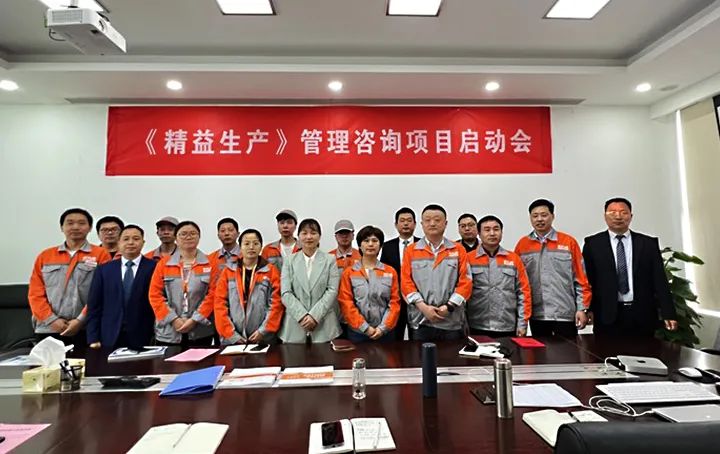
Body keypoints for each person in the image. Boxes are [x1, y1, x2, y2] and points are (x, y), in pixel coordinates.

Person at [582, 197, 678, 337]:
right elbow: (588, 279)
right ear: (605, 216)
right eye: (612, 213)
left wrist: (668, 313)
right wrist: (588, 309)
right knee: (608, 350)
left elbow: (659, 279)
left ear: (631, 216)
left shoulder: (648, 244)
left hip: (642, 313)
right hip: (606, 314)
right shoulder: (593, 244)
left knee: (645, 350)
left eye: (623, 212)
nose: (618, 217)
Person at [28, 208, 111, 349]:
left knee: (88, 363)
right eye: (70, 223)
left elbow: (103, 292)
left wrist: (80, 320)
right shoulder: (45, 256)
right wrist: (51, 320)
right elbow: (35, 294)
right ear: (62, 227)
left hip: (86, 328)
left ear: (90, 227)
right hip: (49, 328)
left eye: (81, 223)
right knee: (48, 364)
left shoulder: (101, 254)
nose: (76, 227)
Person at [514, 199, 591, 338]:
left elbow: (581, 278)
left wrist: (582, 309)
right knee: (540, 350)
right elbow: (518, 283)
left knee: (567, 350)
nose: (539, 219)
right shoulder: (523, 245)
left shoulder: (568, 242)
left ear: (552, 216)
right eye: (535, 216)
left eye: (544, 215)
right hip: (536, 314)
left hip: (564, 313)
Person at [402, 204, 472, 341]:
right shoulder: (411, 250)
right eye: (428, 220)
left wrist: (449, 307)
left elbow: (466, 282)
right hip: (421, 320)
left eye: (437, 220)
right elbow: (406, 282)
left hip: (451, 321)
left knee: (451, 354)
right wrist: (423, 307)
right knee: (420, 355)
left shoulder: (458, 249)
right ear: (422, 224)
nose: (432, 223)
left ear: (445, 223)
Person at [86, 225, 157, 350]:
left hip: (144, 334)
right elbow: (94, 306)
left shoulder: (154, 267)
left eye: (136, 239)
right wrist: (93, 338)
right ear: (119, 242)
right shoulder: (104, 270)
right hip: (109, 335)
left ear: (143, 242)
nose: (131, 242)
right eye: (126, 239)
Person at [148, 221, 217, 348]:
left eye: (193, 233)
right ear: (176, 238)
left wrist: (195, 319)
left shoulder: (210, 264)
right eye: (183, 234)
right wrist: (173, 319)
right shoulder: (164, 264)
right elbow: (155, 295)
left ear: (199, 237)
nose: (188, 237)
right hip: (169, 330)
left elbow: (213, 295)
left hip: (200, 330)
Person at [214, 229, 284, 345]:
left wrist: (263, 331)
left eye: (255, 243)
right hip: (232, 339)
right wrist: (231, 334)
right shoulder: (228, 271)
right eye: (246, 243)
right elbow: (220, 304)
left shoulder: (271, 271)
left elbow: (276, 304)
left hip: (263, 338)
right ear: (240, 247)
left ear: (261, 247)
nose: (251, 247)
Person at [467, 215, 532, 338]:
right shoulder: (469, 259)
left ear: (502, 232)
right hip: (476, 325)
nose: (492, 233)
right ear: (479, 234)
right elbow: (462, 293)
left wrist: (522, 323)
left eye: (496, 229)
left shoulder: (514, 259)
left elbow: (523, 293)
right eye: (487, 230)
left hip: (507, 325)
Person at [279, 218, 341, 343]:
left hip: (324, 326)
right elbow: (285, 292)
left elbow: (332, 290)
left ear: (319, 236)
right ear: (298, 236)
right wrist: (302, 316)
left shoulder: (330, 260)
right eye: (304, 233)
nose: (309, 237)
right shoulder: (289, 261)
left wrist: (314, 316)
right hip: (294, 325)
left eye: (313, 233)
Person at [338, 226, 400, 343]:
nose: (370, 244)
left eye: (375, 241)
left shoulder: (390, 271)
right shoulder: (350, 272)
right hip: (358, 333)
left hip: (385, 333)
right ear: (359, 246)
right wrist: (365, 328)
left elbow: (394, 303)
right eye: (366, 241)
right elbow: (346, 303)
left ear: (380, 246)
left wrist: (383, 328)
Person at [380, 207, 419, 341]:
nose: (406, 224)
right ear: (396, 224)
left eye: (409, 220)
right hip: (395, 298)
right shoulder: (387, 246)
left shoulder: (423, 245)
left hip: (418, 298)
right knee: (395, 337)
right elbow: (384, 272)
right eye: (402, 221)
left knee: (418, 337)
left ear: (415, 224)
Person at [262, 209, 301, 273]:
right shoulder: (268, 249)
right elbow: (262, 273)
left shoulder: (303, 248)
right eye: (282, 223)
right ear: (278, 225)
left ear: (295, 226)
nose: (285, 226)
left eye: (289, 222)